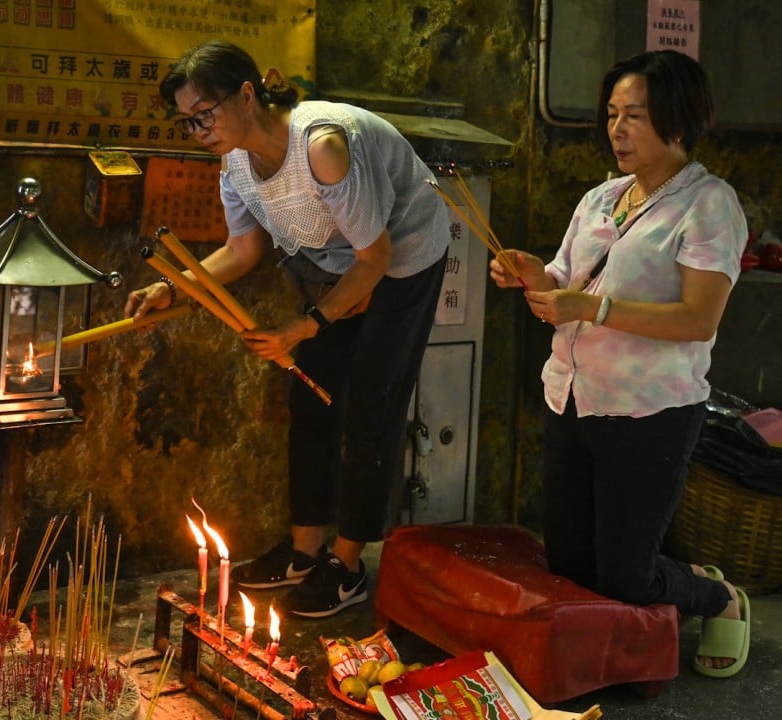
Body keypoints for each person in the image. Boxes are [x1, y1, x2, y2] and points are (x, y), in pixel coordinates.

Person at [125, 40, 450, 618]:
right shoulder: (235, 164)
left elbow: (375, 258)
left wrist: (305, 325)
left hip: (403, 255)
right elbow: (240, 250)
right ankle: (304, 552)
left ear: (247, 93)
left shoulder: (321, 147)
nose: (199, 129)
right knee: (312, 399)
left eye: (206, 113)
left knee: (373, 405)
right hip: (340, 265)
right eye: (187, 121)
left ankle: (347, 566)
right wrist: (174, 287)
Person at [489, 50, 750, 677]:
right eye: (611, 114)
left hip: (651, 409)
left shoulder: (708, 204)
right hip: (574, 397)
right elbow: (564, 279)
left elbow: (698, 318)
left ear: (678, 122)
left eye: (635, 115)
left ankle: (719, 597)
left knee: (627, 574)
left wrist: (592, 308)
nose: (617, 129)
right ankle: (622, 645)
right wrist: (533, 273)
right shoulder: (603, 197)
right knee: (572, 565)